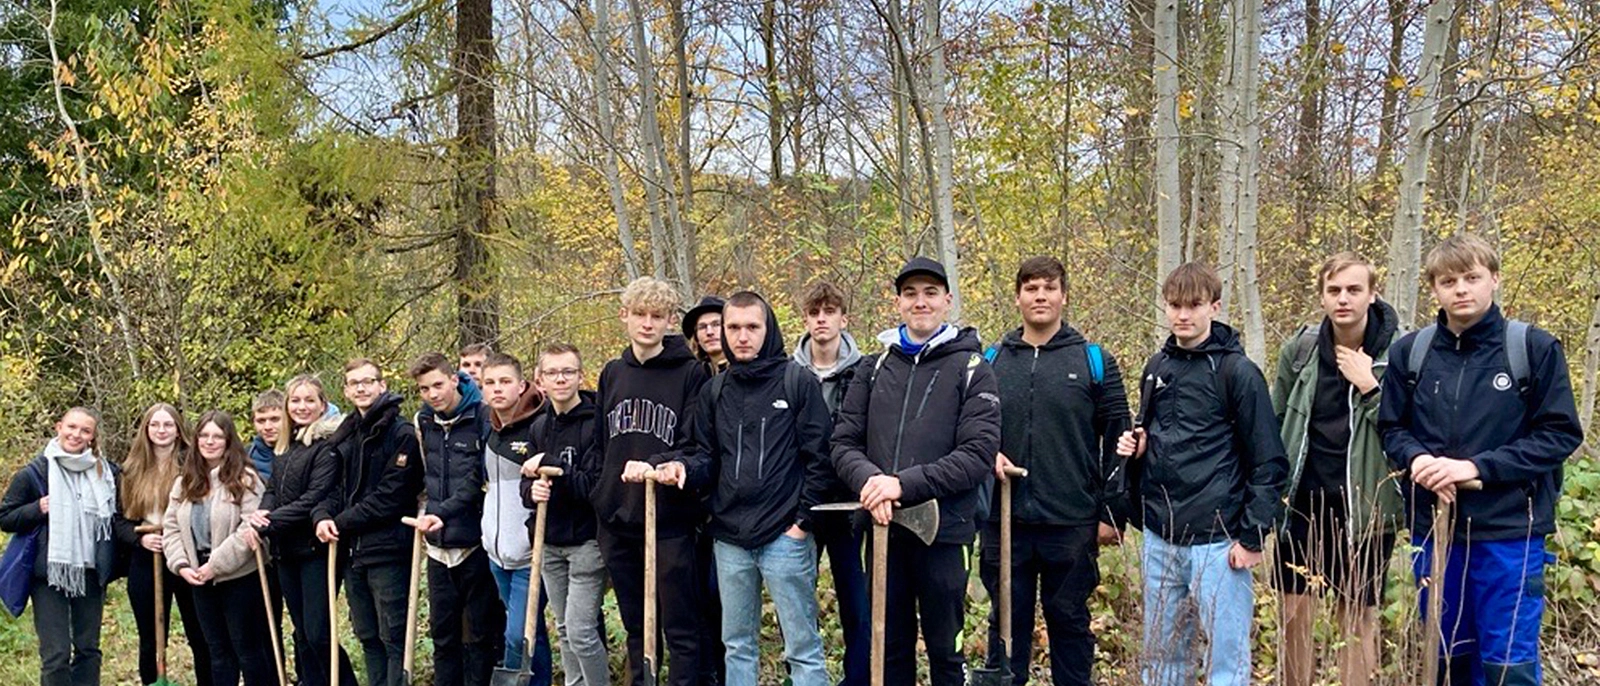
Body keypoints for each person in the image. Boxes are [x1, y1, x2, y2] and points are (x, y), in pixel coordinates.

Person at [1379, 234, 1583, 686]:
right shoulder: (1410, 353)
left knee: (1506, 662)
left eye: (1472, 278)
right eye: (1448, 280)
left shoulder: (1532, 348)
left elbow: (1560, 433)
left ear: (1494, 279)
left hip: (1510, 530)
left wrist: (1476, 468)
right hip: (1435, 528)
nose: (1461, 290)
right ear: (1434, 287)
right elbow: (1392, 429)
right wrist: (1417, 462)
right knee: (1447, 658)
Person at [831, 257, 1002, 686]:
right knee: (888, 651)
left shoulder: (973, 369)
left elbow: (977, 453)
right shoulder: (872, 369)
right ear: (898, 303)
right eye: (910, 294)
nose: (920, 302)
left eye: (930, 293)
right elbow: (843, 442)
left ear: (947, 301)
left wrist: (901, 485)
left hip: (945, 533)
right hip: (883, 530)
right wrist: (871, 482)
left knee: (947, 652)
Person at [1116, 262, 1288, 686]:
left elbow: (1268, 460)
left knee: (1226, 662)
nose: (1183, 315)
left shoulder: (1238, 373)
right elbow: (1154, 433)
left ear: (1214, 306)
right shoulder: (1158, 366)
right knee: (1161, 656)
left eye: (1193, 305)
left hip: (1218, 540)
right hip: (1160, 534)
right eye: (1175, 305)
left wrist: (1252, 537)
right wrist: (1137, 449)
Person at [670, 291, 834, 686]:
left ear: (768, 329)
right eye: (734, 328)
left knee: (803, 648)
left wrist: (801, 523)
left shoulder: (797, 381)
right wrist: (682, 470)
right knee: (737, 645)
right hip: (729, 539)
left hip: (785, 538)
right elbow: (706, 457)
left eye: (752, 327)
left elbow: (821, 458)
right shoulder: (715, 391)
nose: (743, 336)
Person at [982, 256, 1131, 685]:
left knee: (1069, 622)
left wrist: (1111, 512)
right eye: (1031, 288)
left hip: (1071, 521)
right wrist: (988, 453)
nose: (1040, 296)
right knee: (1006, 627)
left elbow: (1119, 438)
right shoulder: (992, 361)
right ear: (1018, 297)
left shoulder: (1093, 361)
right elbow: (973, 429)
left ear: (1064, 296)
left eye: (1049, 287)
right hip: (1004, 520)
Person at [1270, 253, 1403, 686]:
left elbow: (1409, 432)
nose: (1343, 299)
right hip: (1303, 502)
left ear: (1372, 293)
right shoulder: (1302, 349)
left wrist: (1370, 385)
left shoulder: (1399, 352)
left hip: (1364, 506)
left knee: (1357, 617)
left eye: (1353, 289)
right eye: (1334, 291)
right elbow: (1275, 423)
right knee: (1293, 614)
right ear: (1322, 296)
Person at [596, 277, 711, 686]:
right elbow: (599, 444)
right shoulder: (612, 373)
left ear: (669, 322)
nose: (647, 323)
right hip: (617, 518)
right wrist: (602, 496)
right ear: (624, 315)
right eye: (639, 314)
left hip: (669, 521)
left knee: (680, 625)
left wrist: (658, 464)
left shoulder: (691, 374)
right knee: (635, 627)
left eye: (657, 316)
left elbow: (694, 442)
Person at [0, 407, 131, 686]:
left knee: (88, 649)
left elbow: (121, 515)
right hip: (49, 573)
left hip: (90, 570)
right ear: (59, 427)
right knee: (56, 654)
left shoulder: (106, 472)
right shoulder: (35, 472)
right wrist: (37, 508)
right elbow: (6, 518)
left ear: (93, 437)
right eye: (71, 427)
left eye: (85, 430)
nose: (76, 434)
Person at [243, 375, 359, 686]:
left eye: (310, 400)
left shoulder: (328, 445)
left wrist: (272, 521)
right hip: (285, 551)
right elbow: (272, 489)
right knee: (303, 634)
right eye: (295, 400)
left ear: (323, 405)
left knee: (319, 633)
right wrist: (261, 514)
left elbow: (316, 497)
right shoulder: (287, 445)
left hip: (314, 549)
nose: (302, 406)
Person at [313, 359, 424, 686]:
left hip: (388, 550)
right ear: (346, 390)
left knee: (394, 639)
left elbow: (391, 496)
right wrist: (321, 516)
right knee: (368, 637)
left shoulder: (401, 433)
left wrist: (341, 521)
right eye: (354, 383)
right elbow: (334, 487)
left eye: (368, 381)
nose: (361, 388)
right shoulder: (346, 434)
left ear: (382, 386)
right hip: (352, 553)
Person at [410, 352, 506, 686]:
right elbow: (425, 477)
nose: (433, 394)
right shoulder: (423, 422)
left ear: (455, 379)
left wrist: (441, 512)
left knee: (480, 634)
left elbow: (477, 481)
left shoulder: (482, 416)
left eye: (438, 384)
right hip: (437, 545)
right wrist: (426, 512)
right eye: (424, 389)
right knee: (442, 633)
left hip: (475, 542)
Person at [791, 280, 870, 686]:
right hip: (801, 503)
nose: (822, 319)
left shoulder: (865, 372)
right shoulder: (789, 374)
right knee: (798, 599)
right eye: (814, 312)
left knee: (855, 599)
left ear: (844, 318)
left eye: (829, 312)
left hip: (849, 503)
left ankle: (857, 678)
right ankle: (805, 676)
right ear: (805, 319)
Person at [163, 410, 276, 686]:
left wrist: (216, 565)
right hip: (198, 577)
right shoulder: (184, 482)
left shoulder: (245, 479)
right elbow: (171, 527)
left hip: (239, 577)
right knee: (217, 652)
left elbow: (249, 529)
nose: (210, 442)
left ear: (228, 441)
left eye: (217, 436)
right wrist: (182, 565)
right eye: (204, 435)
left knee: (248, 651)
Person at [523, 343, 611, 685]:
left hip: (587, 541)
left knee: (581, 630)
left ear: (580, 376)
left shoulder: (596, 425)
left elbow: (593, 487)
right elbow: (525, 484)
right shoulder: (538, 428)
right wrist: (533, 491)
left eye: (568, 372)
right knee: (563, 628)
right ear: (540, 380)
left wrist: (554, 467)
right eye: (552, 372)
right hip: (549, 542)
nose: (560, 379)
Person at [120, 402, 214, 686]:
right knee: (150, 637)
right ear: (146, 430)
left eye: (168, 425)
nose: (161, 430)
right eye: (155, 425)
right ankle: (154, 681)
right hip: (146, 560)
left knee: (200, 634)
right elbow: (116, 520)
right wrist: (140, 539)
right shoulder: (130, 470)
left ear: (178, 430)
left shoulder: (194, 465)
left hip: (186, 557)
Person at [480, 352, 554, 683]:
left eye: (505, 382)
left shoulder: (540, 426)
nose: (498, 389)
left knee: (518, 635)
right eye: (490, 383)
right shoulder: (489, 428)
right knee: (529, 632)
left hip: (529, 553)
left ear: (521, 385)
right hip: (497, 553)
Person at [684, 295, 729, 375]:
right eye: (702, 327)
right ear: (696, 338)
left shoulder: (749, 371)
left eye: (716, 324)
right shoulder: (692, 377)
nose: (709, 332)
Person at [249, 390, 286, 482]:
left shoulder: (305, 453)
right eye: (261, 421)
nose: (267, 427)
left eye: (274, 419)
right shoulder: (244, 457)